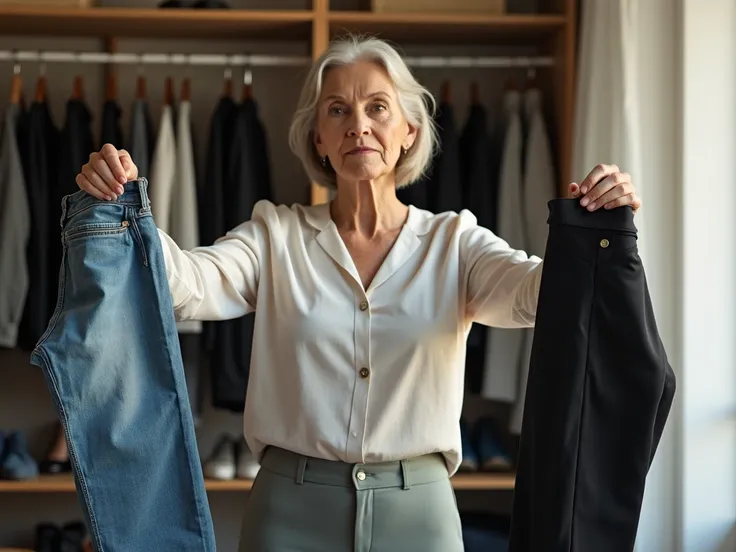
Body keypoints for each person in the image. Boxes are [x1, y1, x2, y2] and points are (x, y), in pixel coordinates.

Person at [75, 35, 640, 552]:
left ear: (408, 132)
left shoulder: (455, 242)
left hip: (419, 515)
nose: (358, 126)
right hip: (287, 511)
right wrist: (126, 213)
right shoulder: (276, 235)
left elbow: (537, 295)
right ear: (318, 136)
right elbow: (187, 287)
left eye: (378, 108)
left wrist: (597, 232)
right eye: (338, 110)